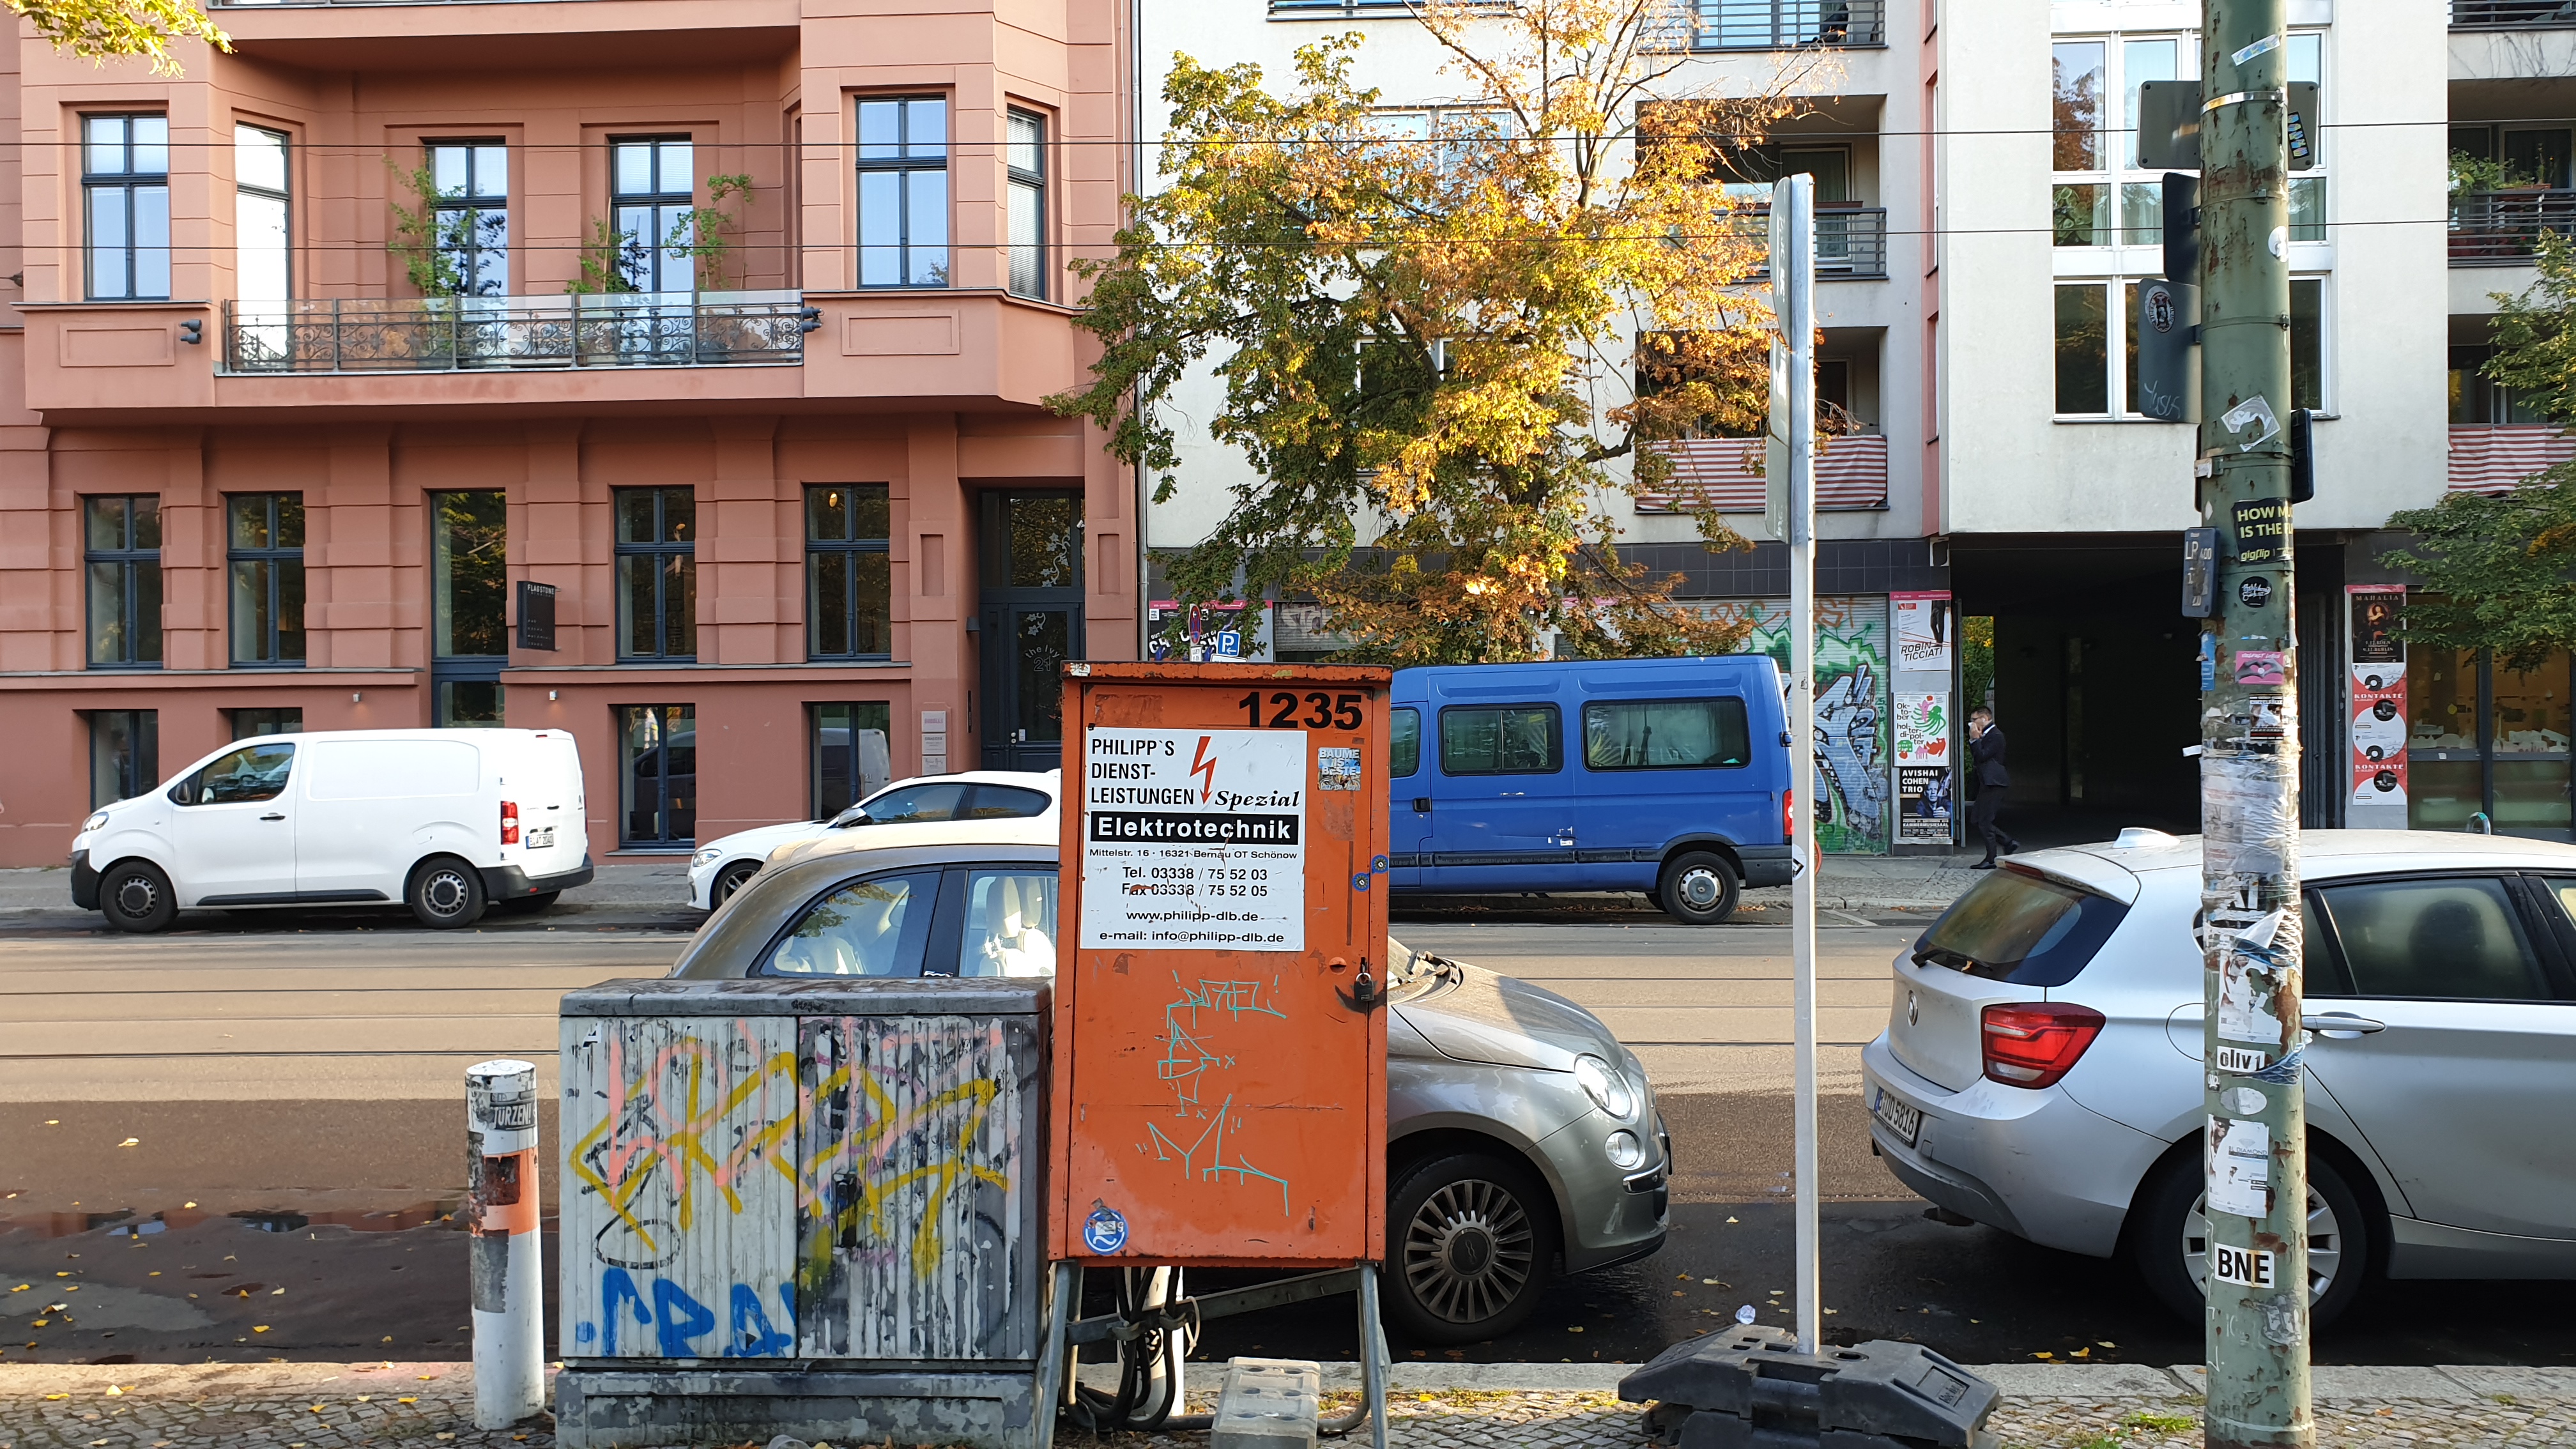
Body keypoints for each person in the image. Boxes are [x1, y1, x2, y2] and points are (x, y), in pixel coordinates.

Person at [1968, 706, 2021, 869]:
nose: (1972, 724)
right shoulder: (1986, 735)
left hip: (1994, 782)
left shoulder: (1996, 736)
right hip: (1987, 782)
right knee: (1976, 819)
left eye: (1974, 720)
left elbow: (1982, 756)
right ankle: (2007, 842)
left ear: (1984, 719)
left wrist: (1975, 740)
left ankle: (1991, 858)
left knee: (1985, 821)